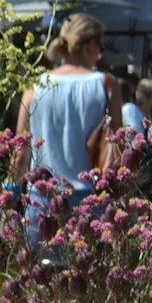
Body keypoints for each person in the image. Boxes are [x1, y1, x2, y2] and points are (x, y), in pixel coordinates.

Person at [16, 13, 121, 205]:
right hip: (89, 200)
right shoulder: (105, 84)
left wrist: (9, 201)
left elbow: (20, 155)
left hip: (41, 199)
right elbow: (118, 146)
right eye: (100, 47)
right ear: (90, 45)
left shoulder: (35, 86)